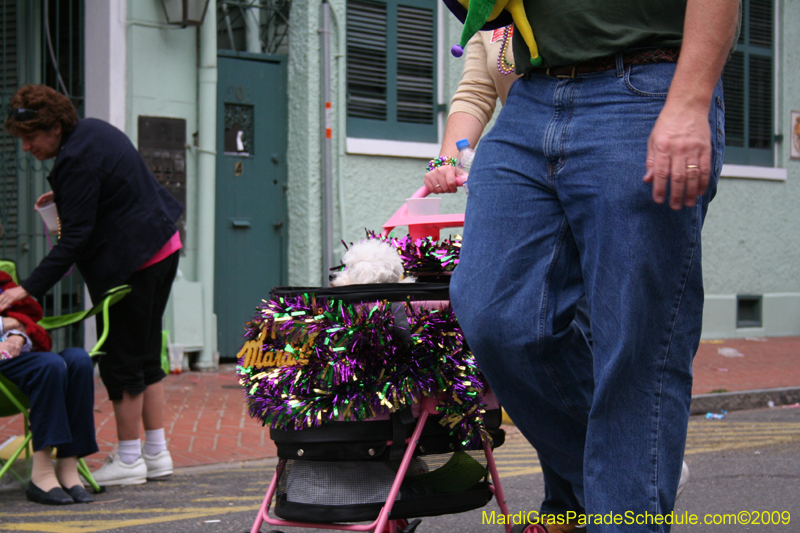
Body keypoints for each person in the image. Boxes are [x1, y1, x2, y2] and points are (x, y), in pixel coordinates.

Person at [447, 2, 739, 532]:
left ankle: (628, 502)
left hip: (644, 84)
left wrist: (690, 99)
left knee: (634, 345)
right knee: (492, 315)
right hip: (530, 95)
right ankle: (637, 477)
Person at [2, 84, 184, 486]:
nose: (27, 147)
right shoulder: (93, 131)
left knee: (121, 361)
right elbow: (108, 182)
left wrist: (27, 288)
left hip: (131, 261)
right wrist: (67, 195)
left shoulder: (75, 161)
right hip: (162, 245)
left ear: (54, 128)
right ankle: (156, 453)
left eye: (31, 138)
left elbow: (75, 238)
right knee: (146, 354)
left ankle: (129, 458)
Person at [0, 270, 98, 504]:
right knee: (49, 365)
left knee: (79, 360)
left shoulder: (2, 280)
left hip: (19, 357)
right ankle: (41, 474)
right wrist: (6, 323)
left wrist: (18, 333)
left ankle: (68, 466)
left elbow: (27, 316)